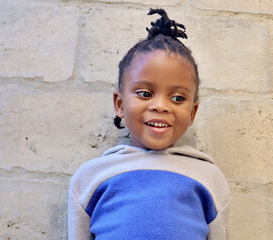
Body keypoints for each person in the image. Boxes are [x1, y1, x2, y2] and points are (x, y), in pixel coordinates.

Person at [68, 8, 231, 240]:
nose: (161, 106)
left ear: (192, 112)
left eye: (178, 98)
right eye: (145, 93)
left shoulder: (209, 178)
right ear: (120, 104)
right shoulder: (91, 178)